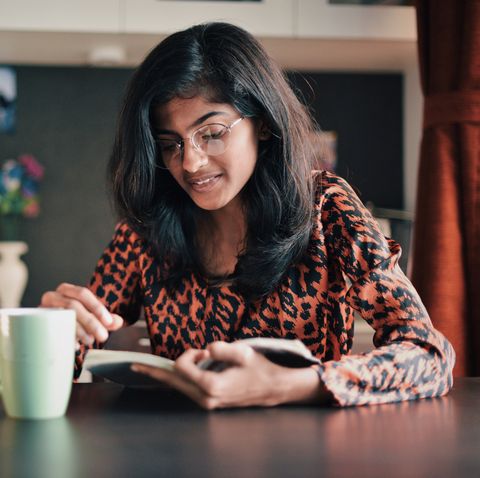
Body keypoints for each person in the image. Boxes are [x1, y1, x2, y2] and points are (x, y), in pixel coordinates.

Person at [41, 22, 455, 409]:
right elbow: (73, 354)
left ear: (262, 122)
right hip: (175, 455)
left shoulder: (326, 208)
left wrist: (284, 385)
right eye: (170, 144)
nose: (191, 163)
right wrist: (55, 333)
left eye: (212, 133)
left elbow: (429, 354)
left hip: (303, 456)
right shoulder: (147, 229)